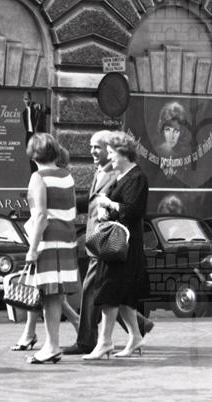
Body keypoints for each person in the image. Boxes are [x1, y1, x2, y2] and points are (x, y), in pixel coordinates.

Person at [63, 130, 153, 356]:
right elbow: (101, 204)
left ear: (123, 152)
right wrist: (106, 211)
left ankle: (98, 341)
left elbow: (134, 210)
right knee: (118, 297)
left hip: (120, 246)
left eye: (110, 152)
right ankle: (136, 333)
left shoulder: (135, 177)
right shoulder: (119, 175)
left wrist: (110, 206)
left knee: (107, 293)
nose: (109, 156)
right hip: (109, 245)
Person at [11, 133, 80, 364]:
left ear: (33, 155)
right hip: (67, 238)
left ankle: (51, 346)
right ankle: (51, 345)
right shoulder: (67, 176)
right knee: (55, 295)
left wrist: (32, 249)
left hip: (48, 240)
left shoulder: (38, 177)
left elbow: (40, 215)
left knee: (50, 295)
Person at [22, 92, 49, 173]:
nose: (26, 101)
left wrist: (40, 107)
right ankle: (34, 174)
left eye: (28, 99)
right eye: (25, 99)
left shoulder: (36, 107)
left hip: (38, 135)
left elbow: (48, 110)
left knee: (40, 156)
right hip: (29, 136)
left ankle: (40, 173)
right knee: (31, 158)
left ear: (30, 99)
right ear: (23, 100)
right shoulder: (24, 113)